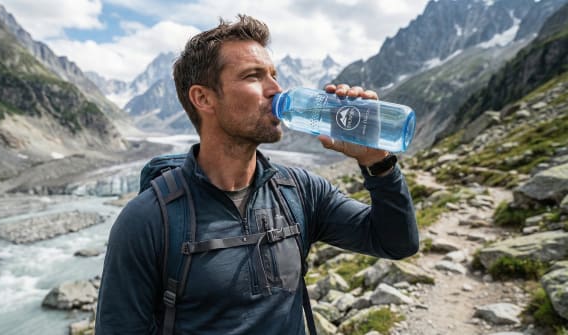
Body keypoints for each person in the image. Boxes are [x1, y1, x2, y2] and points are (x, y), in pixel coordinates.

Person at [95, 14, 418, 335]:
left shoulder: (300, 191)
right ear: (203, 98)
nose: (276, 89)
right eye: (254, 76)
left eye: (274, 75)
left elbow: (396, 243)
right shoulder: (148, 219)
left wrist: (378, 162)